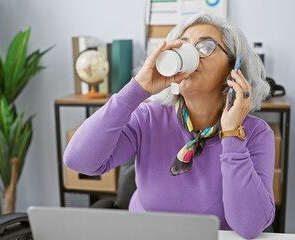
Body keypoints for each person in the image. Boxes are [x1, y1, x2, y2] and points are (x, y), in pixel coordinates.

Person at [64, 13, 275, 239]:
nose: (190, 54)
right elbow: (79, 161)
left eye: (204, 47)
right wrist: (136, 90)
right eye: (183, 46)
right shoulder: (148, 118)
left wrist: (232, 135)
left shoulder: (255, 133)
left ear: (234, 67)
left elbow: (249, 226)